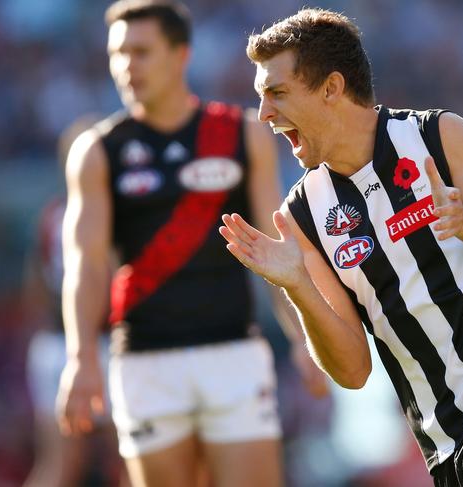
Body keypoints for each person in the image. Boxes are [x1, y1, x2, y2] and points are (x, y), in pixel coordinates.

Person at [219, 8, 463, 487]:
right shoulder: (304, 214)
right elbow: (353, 371)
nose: (264, 114)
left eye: (277, 93)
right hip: (444, 446)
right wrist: (297, 286)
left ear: (331, 88)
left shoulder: (438, 138)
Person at [55, 1, 327, 487]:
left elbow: (274, 251)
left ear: (181, 54)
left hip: (233, 355)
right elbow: (87, 263)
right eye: (118, 53)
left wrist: (304, 338)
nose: (126, 66)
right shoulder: (97, 150)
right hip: (144, 361)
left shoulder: (242, 133)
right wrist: (81, 358)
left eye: (141, 52)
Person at [22, 116, 127, 487]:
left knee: (60, 464)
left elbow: (33, 282)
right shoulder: (105, 214)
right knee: (131, 461)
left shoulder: (51, 213)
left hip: (54, 341)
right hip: (99, 342)